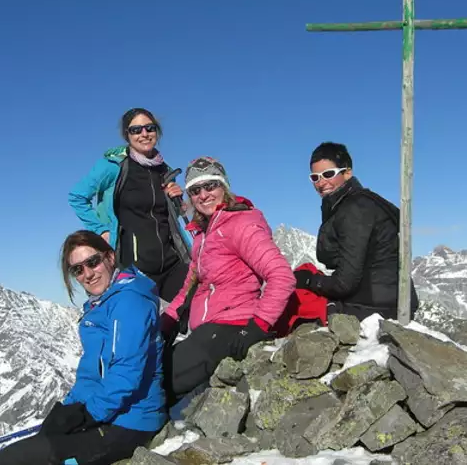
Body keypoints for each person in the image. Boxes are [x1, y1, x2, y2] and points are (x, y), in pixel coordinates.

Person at [0, 230, 166, 465]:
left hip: (130, 422)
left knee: (13, 460)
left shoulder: (128, 302)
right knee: (27, 450)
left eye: (92, 262)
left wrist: (87, 415)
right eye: (78, 269)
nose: (88, 274)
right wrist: (69, 408)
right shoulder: (102, 303)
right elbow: (92, 373)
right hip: (108, 413)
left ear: (110, 258)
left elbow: (126, 373)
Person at [160, 157, 296, 405]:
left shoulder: (241, 223)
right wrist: (166, 321)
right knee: (154, 368)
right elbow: (190, 286)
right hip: (207, 328)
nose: (203, 195)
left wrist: (257, 327)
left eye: (211, 185)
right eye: (195, 190)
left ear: (224, 187)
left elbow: (282, 276)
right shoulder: (203, 233)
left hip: (232, 325)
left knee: (160, 381)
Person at [68, 108, 191, 302]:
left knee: (198, 312)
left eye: (149, 128)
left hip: (172, 264)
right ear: (127, 135)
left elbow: (163, 215)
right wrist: (100, 230)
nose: (144, 134)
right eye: (136, 130)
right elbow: (77, 197)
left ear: (156, 132)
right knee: (144, 328)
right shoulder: (113, 166)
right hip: (134, 269)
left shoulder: (163, 169)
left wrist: (177, 202)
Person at [293, 142, 419, 321]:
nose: (321, 182)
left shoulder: (354, 210)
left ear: (347, 173)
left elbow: (345, 283)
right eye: (315, 177)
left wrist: (309, 281)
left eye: (328, 174)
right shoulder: (351, 204)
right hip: (381, 298)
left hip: (375, 306)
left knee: (296, 302)